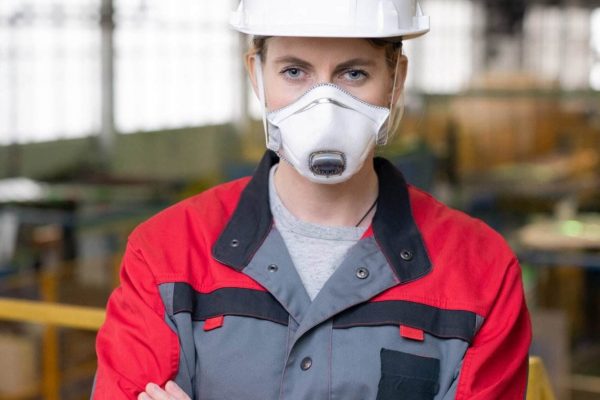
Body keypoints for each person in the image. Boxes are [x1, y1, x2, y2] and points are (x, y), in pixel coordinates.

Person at [92, 1, 532, 399]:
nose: (324, 105)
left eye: (353, 74)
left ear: (396, 81)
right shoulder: (166, 252)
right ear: (256, 76)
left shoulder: (482, 272)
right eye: (294, 72)